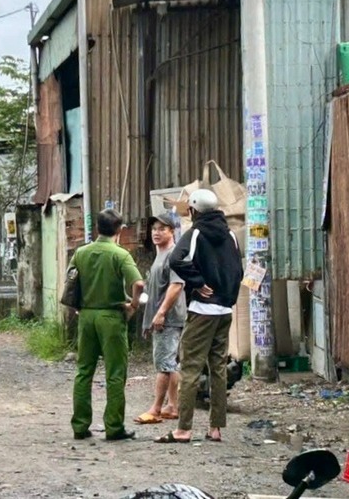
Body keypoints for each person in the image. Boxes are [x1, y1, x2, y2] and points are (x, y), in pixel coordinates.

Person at [155, 189, 243, 444]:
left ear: (193, 210)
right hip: (224, 311)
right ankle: (216, 428)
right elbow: (237, 270)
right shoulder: (230, 235)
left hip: (202, 311)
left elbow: (176, 259)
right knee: (218, 368)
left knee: (190, 367)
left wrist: (197, 282)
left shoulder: (195, 233)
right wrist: (228, 296)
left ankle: (183, 429)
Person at [70, 208, 145, 441]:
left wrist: (78, 305)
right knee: (115, 373)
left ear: (97, 228)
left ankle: (80, 426)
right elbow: (138, 284)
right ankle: (113, 426)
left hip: (86, 316)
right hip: (111, 318)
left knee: (84, 371)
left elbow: (71, 282)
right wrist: (133, 305)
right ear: (119, 229)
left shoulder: (81, 252)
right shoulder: (120, 254)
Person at [134, 213, 186, 425]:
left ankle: (155, 409)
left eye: (162, 229)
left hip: (169, 318)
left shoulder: (173, 255)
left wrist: (161, 313)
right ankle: (172, 406)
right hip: (162, 317)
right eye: (154, 229)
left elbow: (176, 286)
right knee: (170, 363)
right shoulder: (160, 254)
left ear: (172, 231)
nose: (156, 233)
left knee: (163, 364)